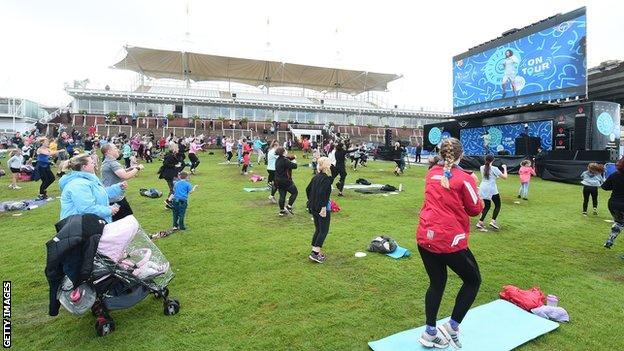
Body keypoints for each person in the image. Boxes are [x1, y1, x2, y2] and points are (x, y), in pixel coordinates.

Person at [416, 137, 483, 349]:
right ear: (460, 155)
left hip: (425, 236)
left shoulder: (431, 173)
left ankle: (430, 332)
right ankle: (452, 327)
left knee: (437, 283)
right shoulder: (464, 178)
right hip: (448, 240)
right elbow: (475, 210)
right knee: (473, 280)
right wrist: (477, 192)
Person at [59, 154, 126, 223]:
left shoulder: (88, 180)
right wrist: (109, 210)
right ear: (84, 167)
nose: (94, 164)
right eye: (91, 162)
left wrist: (117, 188)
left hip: (89, 224)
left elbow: (99, 194)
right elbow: (87, 209)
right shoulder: (78, 185)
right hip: (79, 227)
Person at [101, 143, 140, 221]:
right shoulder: (112, 163)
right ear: (108, 151)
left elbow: (117, 172)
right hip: (116, 198)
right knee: (127, 222)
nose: (118, 150)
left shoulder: (107, 162)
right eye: (115, 148)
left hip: (111, 196)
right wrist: (138, 168)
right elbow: (125, 176)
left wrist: (129, 169)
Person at [305, 157, 333, 263]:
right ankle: (315, 253)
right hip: (321, 207)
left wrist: (312, 201)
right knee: (323, 230)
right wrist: (323, 207)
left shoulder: (316, 177)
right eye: (329, 163)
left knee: (318, 229)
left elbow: (308, 190)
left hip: (314, 206)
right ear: (326, 166)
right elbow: (322, 194)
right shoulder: (325, 179)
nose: (331, 165)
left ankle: (315, 251)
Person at [476, 154, 507, 230]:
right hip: (491, 188)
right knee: (498, 205)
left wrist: (495, 177)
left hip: (483, 187)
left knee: (487, 206)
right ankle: (493, 221)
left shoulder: (482, 167)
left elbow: (488, 175)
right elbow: (505, 177)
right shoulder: (494, 168)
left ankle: (480, 222)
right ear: (493, 160)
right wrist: (505, 168)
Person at [603, 158, 624, 249]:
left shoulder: (614, 175)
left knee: (619, 222)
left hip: (613, 204)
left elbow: (604, 187)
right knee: (620, 222)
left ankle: (610, 239)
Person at [274, 147, 298, 216]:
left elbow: (287, 159)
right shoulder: (285, 160)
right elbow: (295, 166)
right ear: (283, 152)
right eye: (285, 150)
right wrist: (294, 160)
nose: (286, 151)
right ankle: (289, 206)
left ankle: (282, 211)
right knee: (295, 192)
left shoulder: (278, 159)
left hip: (278, 181)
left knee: (282, 196)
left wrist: (291, 158)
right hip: (286, 181)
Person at [158, 143, 183, 208]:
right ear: (174, 149)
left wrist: (178, 164)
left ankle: (168, 204)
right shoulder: (169, 156)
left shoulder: (174, 155)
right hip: (169, 175)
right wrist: (175, 165)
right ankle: (168, 201)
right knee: (174, 189)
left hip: (173, 174)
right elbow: (165, 164)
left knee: (174, 189)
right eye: (177, 148)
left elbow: (179, 159)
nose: (178, 149)